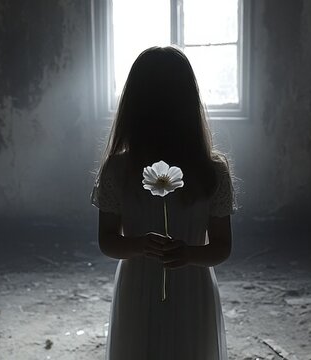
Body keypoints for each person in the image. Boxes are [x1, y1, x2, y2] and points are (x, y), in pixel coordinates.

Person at [91, 46, 236, 360]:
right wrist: (141, 246)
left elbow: (222, 247)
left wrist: (188, 254)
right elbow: (107, 240)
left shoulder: (211, 172)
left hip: (191, 289)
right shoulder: (118, 170)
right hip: (137, 291)